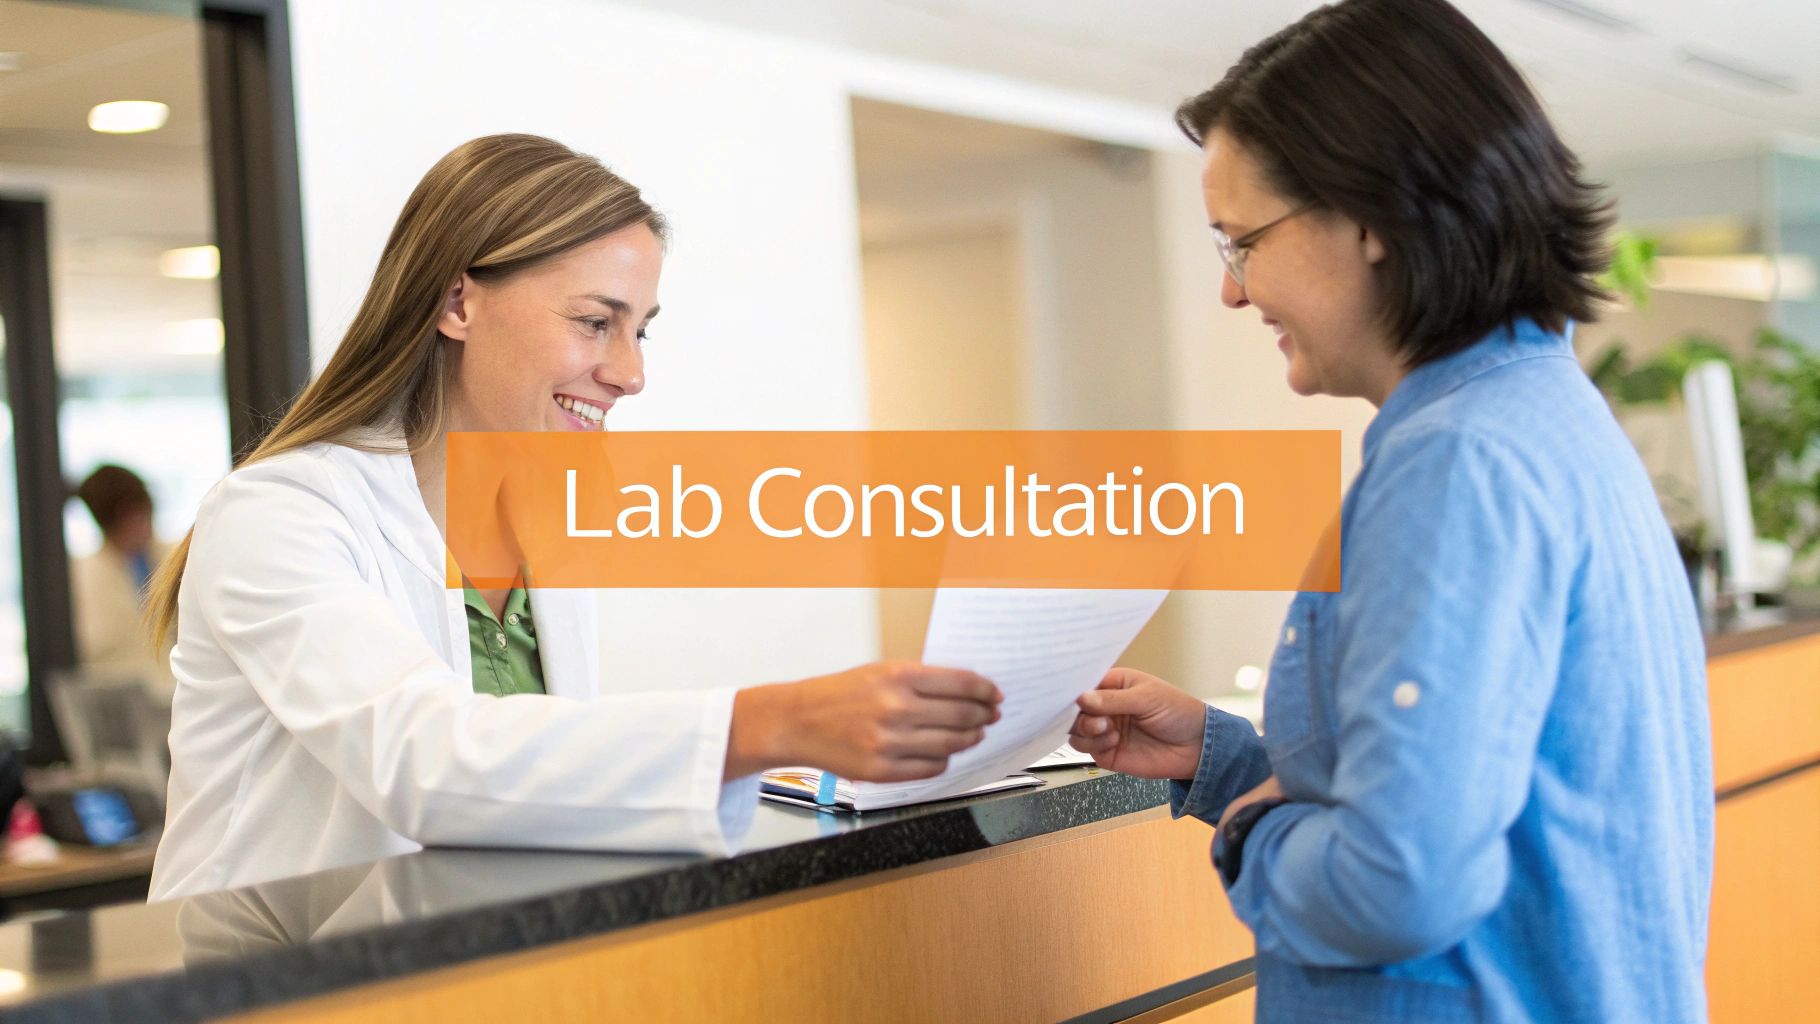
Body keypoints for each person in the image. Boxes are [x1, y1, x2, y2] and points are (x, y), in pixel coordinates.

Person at [1069, 1, 1712, 1021]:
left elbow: (1398, 878)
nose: (1233, 294)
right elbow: (1464, 783)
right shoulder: (1537, 411)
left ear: (1368, 219)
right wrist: (1224, 755)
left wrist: (1249, 835)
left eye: (1241, 243)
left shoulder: (1452, 461)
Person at [146, 134, 1002, 900]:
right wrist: (764, 722)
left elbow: (535, 785)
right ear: (456, 304)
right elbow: (424, 762)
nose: (629, 374)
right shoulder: (279, 514)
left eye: (641, 333)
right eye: (596, 323)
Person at [70, 465, 176, 704]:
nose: (140, 526)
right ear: (106, 524)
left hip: (179, 698)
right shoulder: (83, 576)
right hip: (125, 704)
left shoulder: (176, 557)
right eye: (128, 519)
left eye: (142, 513)